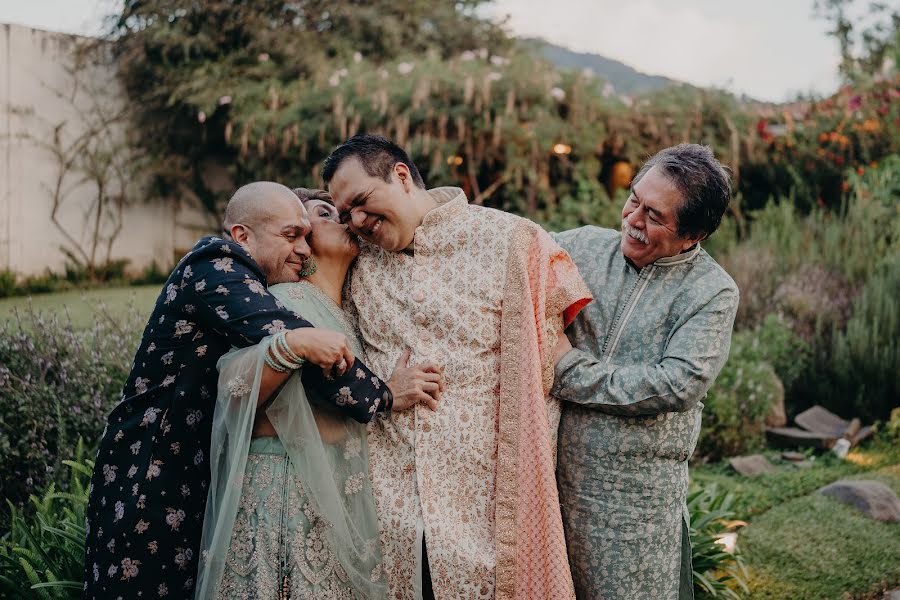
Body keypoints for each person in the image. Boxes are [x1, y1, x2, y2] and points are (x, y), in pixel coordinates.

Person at [83, 182, 432, 599]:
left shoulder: (257, 284)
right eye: (290, 235)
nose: (302, 249)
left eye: (305, 236)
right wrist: (385, 395)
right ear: (241, 236)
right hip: (150, 464)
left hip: (190, 466)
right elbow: (289, 334)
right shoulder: (216, 264)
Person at [323, 134, 592, 600]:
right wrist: (383, 389)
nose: (357, 222)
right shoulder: (356, 261)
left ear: (401, 176)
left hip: (486, 505)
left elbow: (553, 358)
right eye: (345, 213)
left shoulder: (512, 241)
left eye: (362, 203)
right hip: (388, 504)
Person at [195, 188, 443, 599]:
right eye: (325, 213)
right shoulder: (286, 301)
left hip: (326, 499)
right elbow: (244, 398)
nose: (347, 220)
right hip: (286, 497)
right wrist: (387, 397)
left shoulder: (343, 313)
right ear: (303, 238)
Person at [551, 143, 740, 599]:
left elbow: (676, 384)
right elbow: (503, 254)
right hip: (550, 483)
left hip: (635, 505)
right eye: (634, 199)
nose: (633, 219)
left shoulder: (711, 292)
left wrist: (566, 369)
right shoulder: (579, 248)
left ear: (692, 235)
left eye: (655, 216)